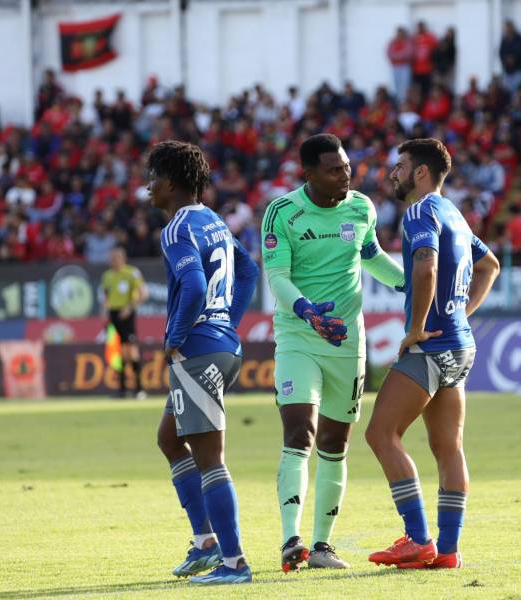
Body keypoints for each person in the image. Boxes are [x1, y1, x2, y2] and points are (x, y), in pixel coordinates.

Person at [260, 133, 404, 572]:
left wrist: (411, 285)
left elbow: (371, 256)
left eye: (346, 166)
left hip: (347, 343)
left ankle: (323, 547)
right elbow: (278, 278)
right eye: (334, 169)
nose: (345, 174)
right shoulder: (282, 213)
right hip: (299, 338)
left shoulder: (361, 207)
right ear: (309, 174)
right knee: (299, 430)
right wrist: (306, 311)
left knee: (335, 443)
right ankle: (291, 540)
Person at [365, 138, 500, 569]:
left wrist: (418, 326)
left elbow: (425, 266)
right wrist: (461, 310)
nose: (393, 173)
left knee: (380, 435)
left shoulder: (421, 212)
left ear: (421, 171)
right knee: (448, 448)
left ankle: (419, 538)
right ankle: (448, 550)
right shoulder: (454, 214)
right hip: (461, 345)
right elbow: (490, 265)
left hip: (431, 345)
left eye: (400, 166)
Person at [149, 140, 259, 585]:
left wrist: (174, 337)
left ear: (171, 182)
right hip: (222, 347)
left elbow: (193, 284)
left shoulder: (176, 228)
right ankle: (205, 542)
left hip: (196, 351)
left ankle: (234, 563)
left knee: (211, 459)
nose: (147, 188)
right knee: (170, 439)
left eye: (152, 178)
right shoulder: (213, 220)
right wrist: (226, 323)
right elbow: (248, 270)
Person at [101, 246, 149, 399]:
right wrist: (105, 311)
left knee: (131, 351)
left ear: (122, 258)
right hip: (113, 315)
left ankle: (139, 389)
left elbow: (143, 294)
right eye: (111, 258)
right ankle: (121, 390)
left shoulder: (132, 273)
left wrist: (129, 308)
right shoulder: (107, 276)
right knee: (117, 352)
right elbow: (106, 296)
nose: (112, 261)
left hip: (126, 314)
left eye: (115, 257)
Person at [499, 20, 521, 93]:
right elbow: (501, 52)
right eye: (506, 28)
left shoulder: (520, 39)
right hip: (508, 70)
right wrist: (506, 60)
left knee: (518, 89)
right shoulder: (504, 40)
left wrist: (514, 59)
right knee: (508, 90)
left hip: (518, 69)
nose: (508, 30)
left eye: (509, 27)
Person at [412, 21, 439, 98]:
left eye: (422, 27)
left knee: (427, 89)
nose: (420, 29)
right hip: (416, 69)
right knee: (417, 89)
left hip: (427, 69)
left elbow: (436, 49)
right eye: (419, 27)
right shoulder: (414, 38)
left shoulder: (430, 37)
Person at [388, 27, 414, 103]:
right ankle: (398, 101)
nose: (399, 35)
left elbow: (408, 53)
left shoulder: (407, 42)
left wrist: (397, 56)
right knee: (396, 84)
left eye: (401, 33)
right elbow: (389, 53)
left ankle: (405, 101)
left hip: (404, 66)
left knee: (405, 85)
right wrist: (399, 56)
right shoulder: (393, 42)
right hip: (395, 66)